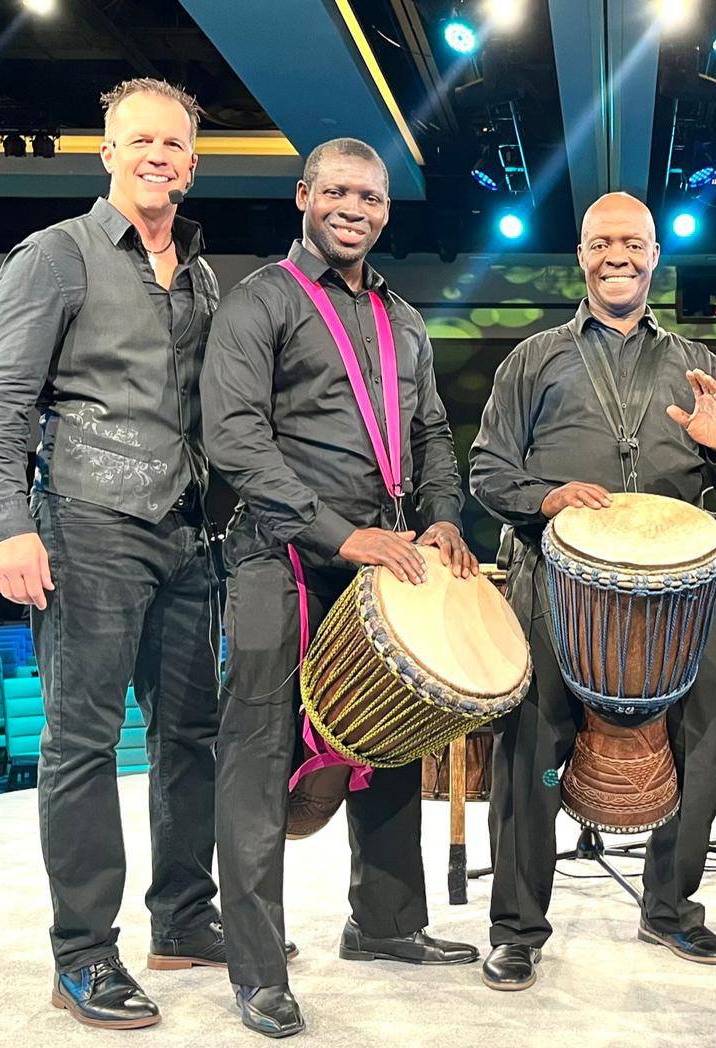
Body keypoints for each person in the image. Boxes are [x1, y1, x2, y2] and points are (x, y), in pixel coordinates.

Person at [0, 78, 227, 1030]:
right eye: (139, 142)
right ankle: (83, 954)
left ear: (192, 165)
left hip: (185, 537)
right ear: (106, 154)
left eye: (174, 146)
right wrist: (5, 520)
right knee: (81, 744)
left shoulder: (198, 273)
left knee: (189, 737)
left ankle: (185, 921)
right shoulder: (55, 257)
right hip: (84, 524)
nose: (158, 156)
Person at [202, 137, 479, 1038]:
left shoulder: (403, 317)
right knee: (256, 754)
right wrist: (337, 531)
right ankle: (254, 966)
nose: (353, 207)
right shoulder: (263, 301)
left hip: (386, 546)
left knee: (396, 727)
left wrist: (441, 516)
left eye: (369, 195)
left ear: (386, 211)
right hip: (279, 551)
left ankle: (387, 923)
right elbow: (235, 437)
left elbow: (434, 430)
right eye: (337, 192)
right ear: (304, 197)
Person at [469, 191, 716, 993]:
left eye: (633, 243)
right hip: (556, 589)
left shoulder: (698, 363)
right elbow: (488, 471)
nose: (618, 257)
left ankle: (671, 908)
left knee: (703, 740)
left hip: (680, 598)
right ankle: (517, 928)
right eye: (602, 243)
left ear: (656, 255)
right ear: (582, 255)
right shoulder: (531, 359)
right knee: (531, 751)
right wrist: (548, 497)